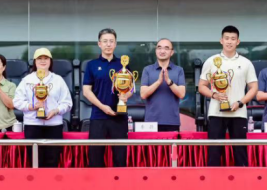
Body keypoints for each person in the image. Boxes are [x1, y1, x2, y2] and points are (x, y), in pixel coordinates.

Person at [198, 25, 258, 166]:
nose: (229, 41)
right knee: (214, 152)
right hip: (216, 112)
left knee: (240, 152)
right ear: (221, 40)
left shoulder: (246, 63)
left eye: (233, 39)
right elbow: (201, 86)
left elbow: (254, 88)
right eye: (226, 38)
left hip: (238, 113)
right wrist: (214, 95)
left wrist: (241, 102)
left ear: (238, 41)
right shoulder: (211, 61)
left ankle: (242, 179)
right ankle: (212, 179)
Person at [13, 48, 73, 168]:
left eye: (46, 58)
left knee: (53, 160)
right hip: (32, 125)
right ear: (35, 62)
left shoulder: (58, 80)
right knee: (35, 161)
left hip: (54, 126)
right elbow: (17, 101)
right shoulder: (27, 80)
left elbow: (67, 103)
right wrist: (31, 107)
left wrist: (55, 111)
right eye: (39, 58)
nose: (43, 61)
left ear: (50, 61)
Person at [83, 28, 129, 167]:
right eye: (105, 41)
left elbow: (130, 88)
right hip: (98, 116)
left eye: (111, 41)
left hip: (119, 116)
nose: (108, 44)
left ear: (115, 44)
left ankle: (119, 182)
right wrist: (103, 107)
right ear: (99, 44)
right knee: (95, 159)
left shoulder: (123, 63)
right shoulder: (91, 65)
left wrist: (126, 95)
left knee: (120, 159)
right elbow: (86, 91)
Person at [140, 38, 186, 132]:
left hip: (172, 122)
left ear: (172, 52)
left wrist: (169, 81)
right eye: (159, 48)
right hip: (151, 121)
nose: (162, 51)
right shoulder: (147, 70)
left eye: (166, 48)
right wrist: (158, 82)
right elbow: (143, 94)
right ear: (156, 50)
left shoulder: (179, 70)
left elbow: (182, 94)